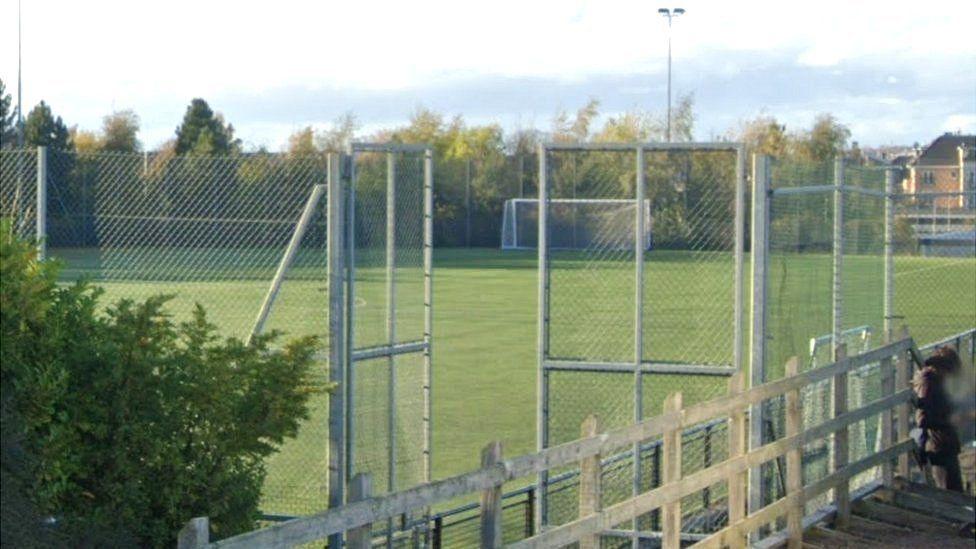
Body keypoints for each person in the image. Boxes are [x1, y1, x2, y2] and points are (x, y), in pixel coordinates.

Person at [912, 346, 963, 492]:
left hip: (942, 440)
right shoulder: (931, 380)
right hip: (938, 441)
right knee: (947, 488)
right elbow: (923, 416)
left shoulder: (933, 379)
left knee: (950, 485)